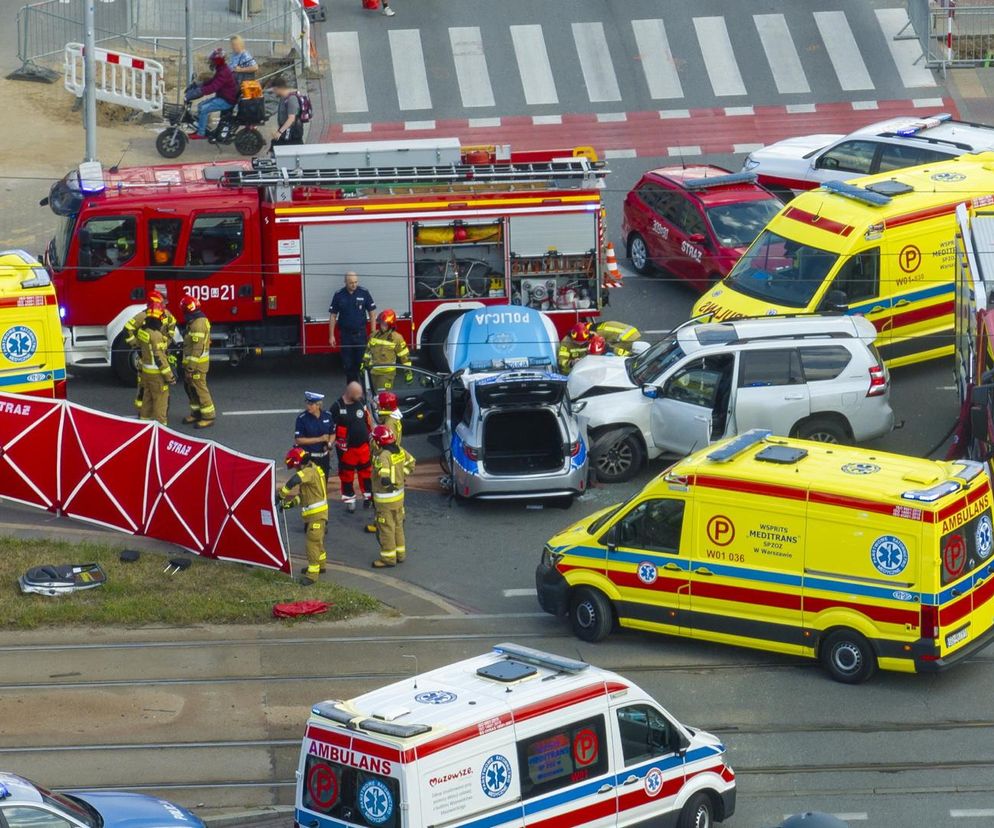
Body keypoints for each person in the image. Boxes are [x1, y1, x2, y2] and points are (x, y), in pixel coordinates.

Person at [278, 447, 328, 585]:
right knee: (317, 542)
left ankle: (312, 575)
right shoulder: (313, 469)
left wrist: (282, 494)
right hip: (317, 515)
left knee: (311, 544)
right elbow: (303, 496)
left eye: (294, 466)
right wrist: (290, 504)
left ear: (298, 463)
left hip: (316, 516)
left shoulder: (308, 472)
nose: (295, 469)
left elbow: (293, 481)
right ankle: (321, 565)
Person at [124, 291, 177, 413]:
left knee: (161, 387)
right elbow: (127, 329)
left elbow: (172, 325)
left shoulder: (166, 315)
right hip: (146, 356)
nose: (164, 306)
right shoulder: (143, 316)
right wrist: (136, 345)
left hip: (159, 354)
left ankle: (159, 412)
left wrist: (165, 342)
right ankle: (143, 411)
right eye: (161, 303)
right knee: (144, 386)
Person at [370, 425, 415, 568]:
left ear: (378, 442)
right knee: (398, 526)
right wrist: (401, 476)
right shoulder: (400, 451)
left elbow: (384, 477)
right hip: (399, 498)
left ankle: (388, 558)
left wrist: (388, 481)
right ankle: (400, 554)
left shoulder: (383, 456)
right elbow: (412, 463)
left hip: (385, 501)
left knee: (386, 528)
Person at [331, 381, 373, 512]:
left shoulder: (360, 403)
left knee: (366, 473)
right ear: (350, 393)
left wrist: (372, 434)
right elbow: (331, 429)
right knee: (347, 475)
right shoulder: (337, 407)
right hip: (347, 450)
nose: (360, 397)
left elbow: (368, 419)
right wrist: (329, 445)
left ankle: (368, 497)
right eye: (358, 394)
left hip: (364, 447)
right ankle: (350, 500)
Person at [365, 391, 402, 533]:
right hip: (394, 461)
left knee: (381, 493)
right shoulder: (393, 419)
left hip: (385, 461)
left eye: (380, 405)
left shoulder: (389, 424)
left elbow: (380, 444)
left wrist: (371, 436)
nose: (377, 407)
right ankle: (396, 517)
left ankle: (381, 522)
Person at [329, 272, 376, 383]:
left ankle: (365, 390)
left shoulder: (364, 292)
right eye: (351, 283)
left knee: (363, 364)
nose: (354, 285)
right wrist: (331, 336)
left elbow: (372, 313)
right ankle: (353, 392)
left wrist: (373, 332)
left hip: (361, 335)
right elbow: (333, 315)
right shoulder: (339, 295)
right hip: (346, 336)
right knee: (348, 365)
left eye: (355, 282)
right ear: (345, 282)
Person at [179, 293, 215, 429]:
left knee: (199, 388)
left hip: (197, 365)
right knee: (190, 388)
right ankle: (196, 413)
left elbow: (197, 349)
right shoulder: (195, 321)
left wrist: (190, 368)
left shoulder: (198, 324)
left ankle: (208, 416)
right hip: (193, 364)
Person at [189, 48, 239, 139]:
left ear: (218, 61)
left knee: (204, 109)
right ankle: (203, 128)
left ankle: (201, 133)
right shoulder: (221, 69)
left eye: (213, 61)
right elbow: (212, 81)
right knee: (200, 106)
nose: (211, 63)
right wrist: (200, 84)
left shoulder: (224, 72)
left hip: (227, 100)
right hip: (223, 97)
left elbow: (214, 87)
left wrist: (200, 91)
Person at [136, 310, 176, 426]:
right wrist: (170, 377)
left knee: (147, 400)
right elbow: (160, 359)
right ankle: (161, 428)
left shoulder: (143, 332)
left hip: (146, 372)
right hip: (157, 375)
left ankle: (144, 424)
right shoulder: (156, 335)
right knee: (160, 402)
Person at [361, 309, 412, 391]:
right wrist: (364, 364)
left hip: (387, 374)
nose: (382, 325)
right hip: (373, 372)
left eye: (385, 324)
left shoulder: (397, 338)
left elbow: (404, 356)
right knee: (372, 398)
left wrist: (408, 372)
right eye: (381, 323)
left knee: (383, 398)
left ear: (391, 325)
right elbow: (368, 352)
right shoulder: (373, 335)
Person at [294, 391, 333, 479]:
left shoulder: (328, 416)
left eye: (311, 404)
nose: (308, 406)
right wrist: (320, 439)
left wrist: (329, 444)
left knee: (323, 483)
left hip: (323, 458)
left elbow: (332, 434)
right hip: (308, 458)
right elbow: (298, 440)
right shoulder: (302, 418)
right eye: (307, 403)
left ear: (318, 405)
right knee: (307, 486)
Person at [269, 76, 304, 151]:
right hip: (286, 132)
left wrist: (279, 132)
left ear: (278, 88)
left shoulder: (291, 99)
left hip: (292, 133)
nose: (274, 92)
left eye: (274, 90)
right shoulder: (283, 98)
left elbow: (291, 119)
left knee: (278, 149)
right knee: (275, 147)